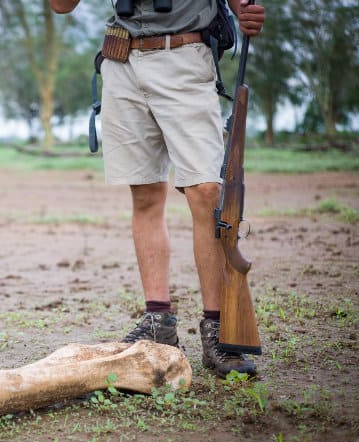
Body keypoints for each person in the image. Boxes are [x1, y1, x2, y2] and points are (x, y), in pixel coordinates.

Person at [50, 0, 265, 378]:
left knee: (206, 193)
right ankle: (158, 321)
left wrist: (244, 8)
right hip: (122, 61)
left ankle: (217, 327)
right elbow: (61, 6)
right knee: (145, 194)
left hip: (186, 55)